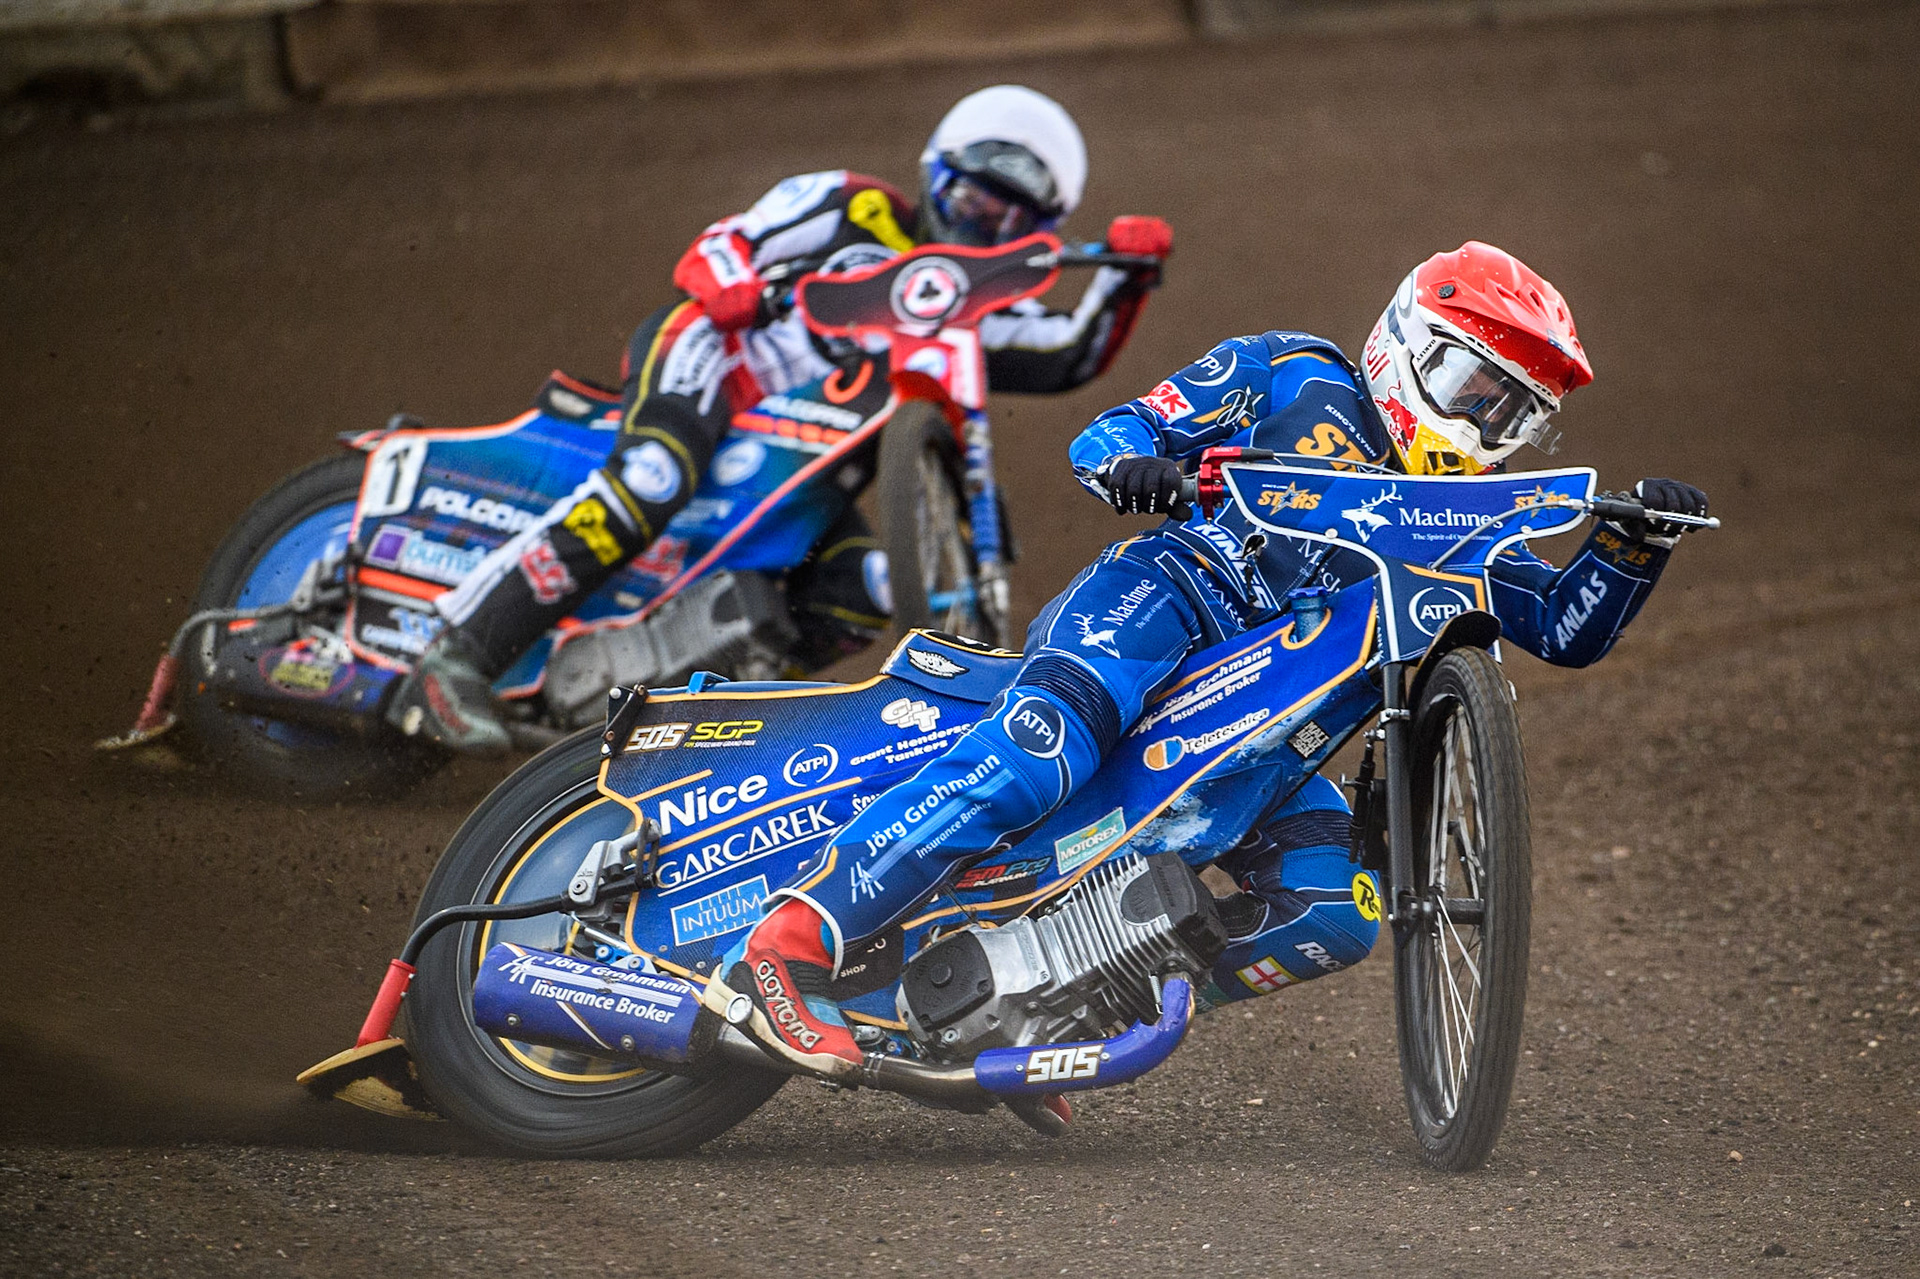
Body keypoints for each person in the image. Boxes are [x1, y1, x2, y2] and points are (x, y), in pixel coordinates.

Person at [705, 240, 1711, 1082]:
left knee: (1334, 913)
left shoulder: (1467, 526)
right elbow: (1115, 430)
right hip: (1175, 597)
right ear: (1408, 344)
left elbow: (1568, 629)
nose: (1484, 426)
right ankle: (786, 945)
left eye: (1513, 414)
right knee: (1045, 743)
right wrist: (1148, 465)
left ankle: (1028, 1013)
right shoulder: (1294, 371)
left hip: (1276, 733)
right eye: (1472, 388)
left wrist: (1633, 548)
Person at [387, 85, 1174, 753]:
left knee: (855, 592)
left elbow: (1066, 351)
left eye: (1005, 226)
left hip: (802, 463)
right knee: (652, 478)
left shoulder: (974, 310)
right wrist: (734, 283)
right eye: (970, 202)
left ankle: (658, 713)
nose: (979, 231)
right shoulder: (852, 205)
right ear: (937, 174)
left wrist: (1126, 278)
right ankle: (450, 654)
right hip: (717, 364)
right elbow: (722, 246)